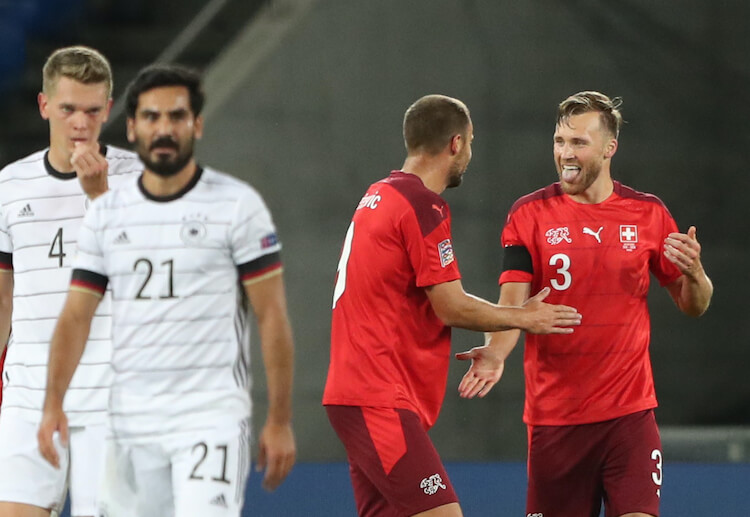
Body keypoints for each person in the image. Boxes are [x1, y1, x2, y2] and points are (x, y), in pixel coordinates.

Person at [37, 64, 296, 517]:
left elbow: (272, 315)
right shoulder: (107, 212)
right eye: (152, 117)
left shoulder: (236, 205)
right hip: (129, 420)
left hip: (208, 417)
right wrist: (52, 402)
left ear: (196, 124)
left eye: (176, 117)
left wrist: (279, 419)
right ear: (132, 127)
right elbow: (76, 316)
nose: (164, 128)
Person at [323, 94, 583, 517]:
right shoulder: (422, 205)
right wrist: (524, 318)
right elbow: (451, 306)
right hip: (378, 395)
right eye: (472, 143)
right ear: (456, 144)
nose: (470, 154)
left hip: (359, 392)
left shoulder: (378, 194)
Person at [456, 91, 713, 517]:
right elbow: (513, 306)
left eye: (578, 142)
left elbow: (693, 305)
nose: (564, 153)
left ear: (610, 148)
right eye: (559, 141)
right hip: (556, 422)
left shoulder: (648, 214)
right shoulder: (528, 215)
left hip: (628, 418)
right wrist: (496, 354)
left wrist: (696, 274)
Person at [0, 45, 141, 517]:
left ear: (108, 108)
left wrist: (98, 198)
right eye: (67, 109)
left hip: (109, 394)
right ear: (44, 107)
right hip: (28, 395)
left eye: (92, 110)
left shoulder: (138, 179)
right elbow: (3, 299)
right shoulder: (9, 186)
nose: (80, 123)